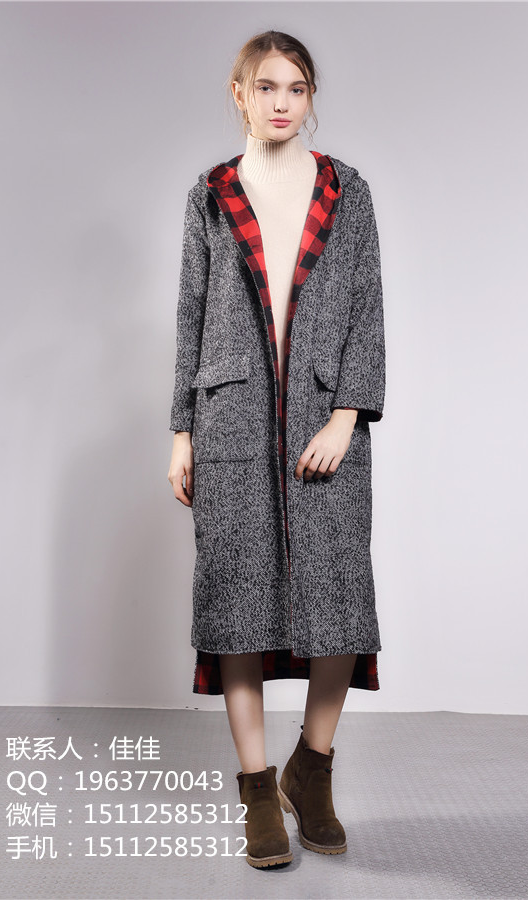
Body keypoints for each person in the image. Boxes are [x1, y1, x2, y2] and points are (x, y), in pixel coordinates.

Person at [167, 30, 386, 869]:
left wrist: (348, 415)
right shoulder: (211, 195)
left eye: (296, 87)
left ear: (310, 95)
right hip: (230, 424)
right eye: (267, 87)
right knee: (236, 605)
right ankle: (258, 787)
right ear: (240, 94)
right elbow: (191, 317)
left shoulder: (347, 191)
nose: (283, 101)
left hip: (324, 426)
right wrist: (181, 430)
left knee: (340, 603)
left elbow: (367, 306)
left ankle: (312, 770)